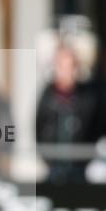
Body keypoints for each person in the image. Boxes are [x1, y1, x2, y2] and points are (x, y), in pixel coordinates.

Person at [35, 44, 98, 183]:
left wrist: (86, 159)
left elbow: (93, 129)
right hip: (53, 167)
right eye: (63, 67)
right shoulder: (48, 96)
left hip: (79, 169)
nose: (68, 72)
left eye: (72, 67)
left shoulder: (87, 97)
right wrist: (47, 158)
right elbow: (38, 127)